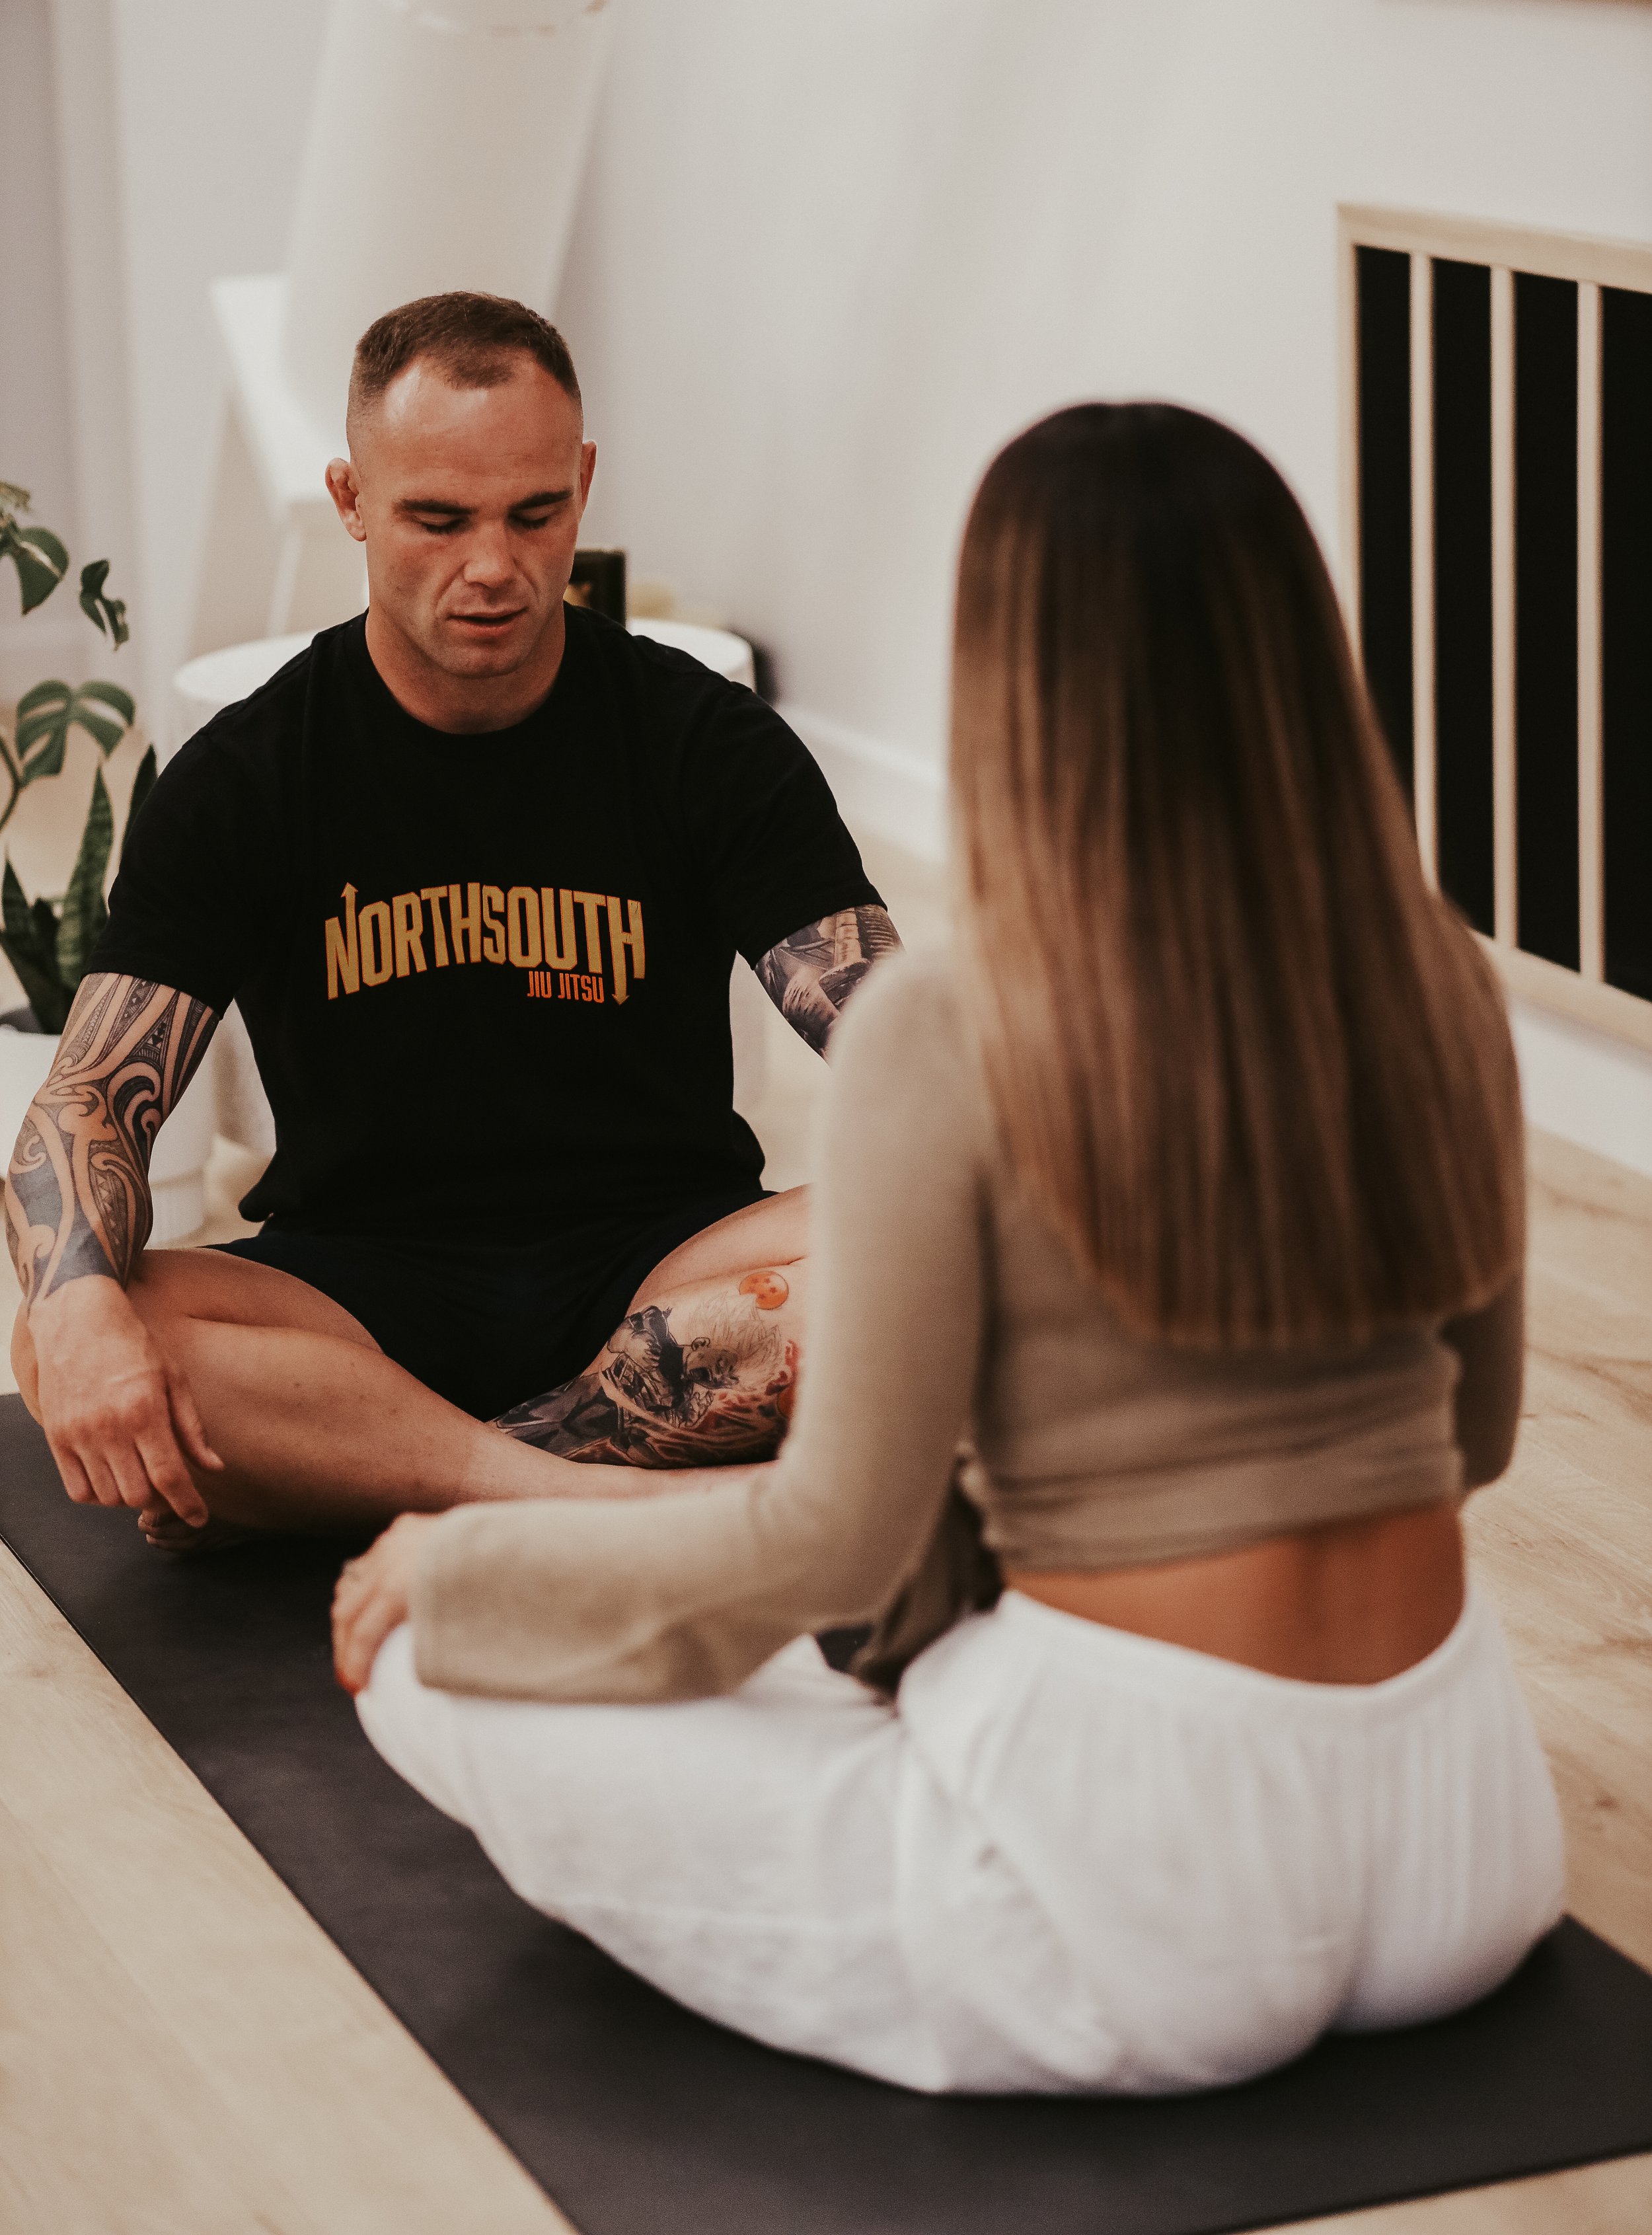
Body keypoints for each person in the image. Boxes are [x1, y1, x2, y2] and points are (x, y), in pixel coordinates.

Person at [333, 402, 1563, 2098]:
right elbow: (1474, 1440)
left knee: (414, 1652)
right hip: (1462, 1833)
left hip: (1147, 1894)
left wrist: (456, 1568)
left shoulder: (952, 1020)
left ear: (1010, 674)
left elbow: (837, 1542)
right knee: (847, 1638)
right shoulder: (1435, 971)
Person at [6, 292, 899, 1544]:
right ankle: (608, 1499)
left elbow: (895, 1049)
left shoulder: (705, 742)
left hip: (666, 1268)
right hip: (361, 1293)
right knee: (67, 1337)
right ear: (353, 500)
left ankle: (415, 1475)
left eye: (534, 513)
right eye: (437, 518)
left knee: (931, 1249)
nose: (493, 565)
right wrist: (77, 1303)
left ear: (582, 484)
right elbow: (96, 1098)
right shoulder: (248, 772)